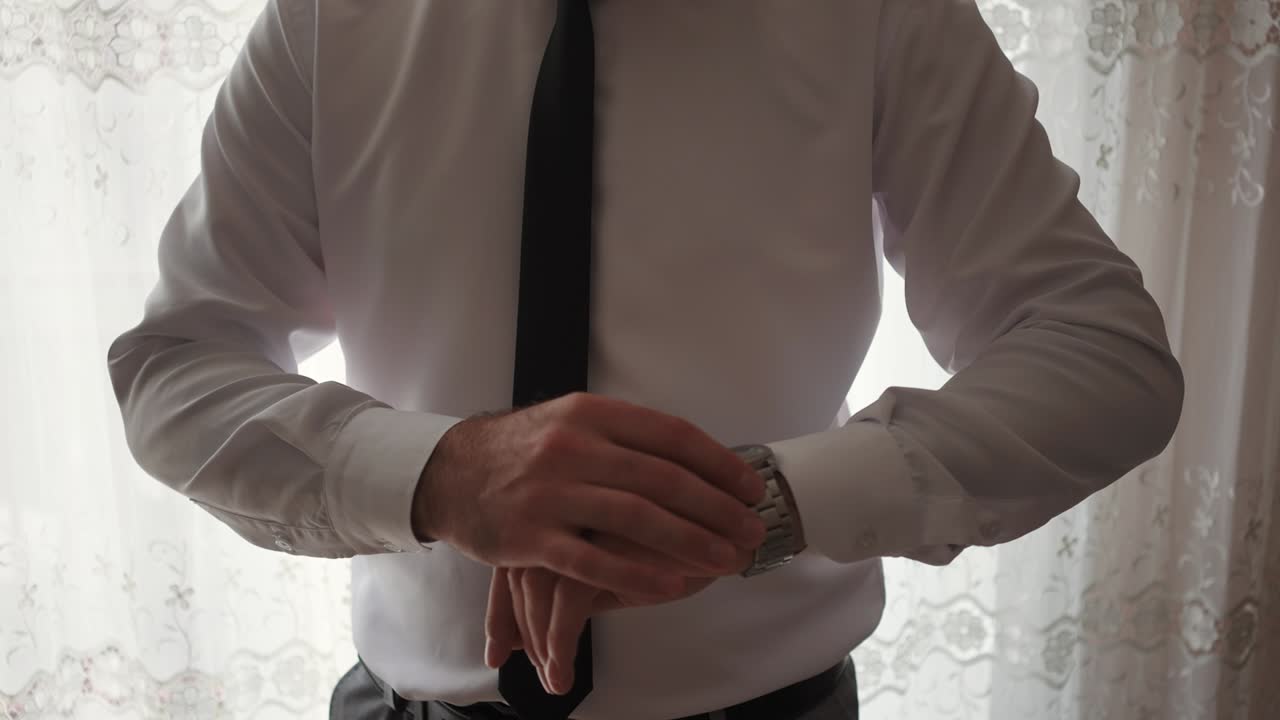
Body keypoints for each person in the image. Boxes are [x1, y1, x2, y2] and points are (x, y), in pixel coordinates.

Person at [106, 1, 1184, 719]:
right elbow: (177, 367)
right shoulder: (327, 21)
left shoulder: (877, 13)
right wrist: (444, 474)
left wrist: (758, 505)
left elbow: (1101, 356)